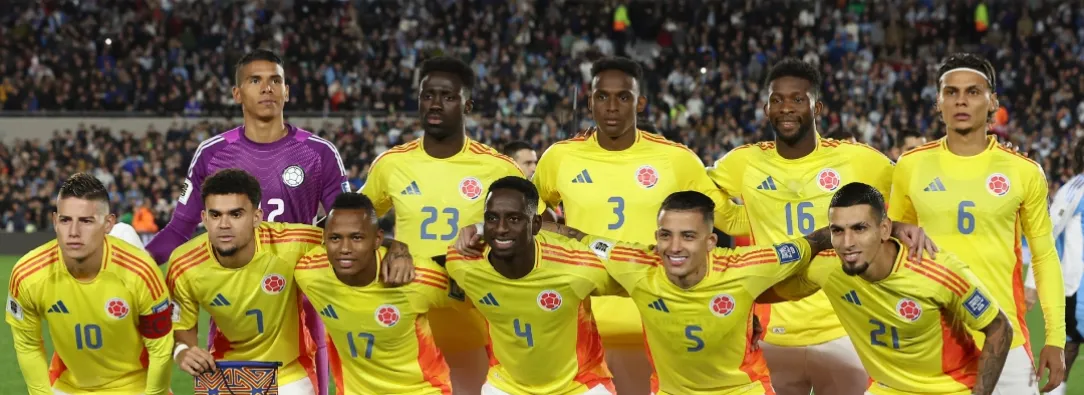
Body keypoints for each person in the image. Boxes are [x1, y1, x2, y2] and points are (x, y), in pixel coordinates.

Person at [531, 56, 749, 394]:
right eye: (602, 96)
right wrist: (555, 236)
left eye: (623, 97)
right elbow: (528, 213)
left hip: (659, 322)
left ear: (640, 102)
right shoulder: (560, 157)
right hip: (584, 321)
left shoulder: (676, 159)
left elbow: (730, 222)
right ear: (590, 102)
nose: (612, 107)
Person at [146, 49, 351, 395]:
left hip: (300, 299)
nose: (267, 88)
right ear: (237, 94)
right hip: (234, 299)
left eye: (276, 80)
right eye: (255, 80)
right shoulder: (213, 154)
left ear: (287, 91)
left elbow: (344, 223)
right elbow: (179, 230)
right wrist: (134, 267)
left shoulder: (318, 153)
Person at [707, 57, 896, 395]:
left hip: (844, 328)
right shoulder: (745, 162)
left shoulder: (855, 159)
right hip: (772, 331)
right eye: (777, 99)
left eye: (798, 99)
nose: (786, 108)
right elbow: (702, 194)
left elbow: (909, 187)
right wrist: (742, 219)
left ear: (817, 107)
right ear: (766, 109)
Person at [889, 52, 1065, 393]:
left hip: (1005, 339)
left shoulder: (1023, 171)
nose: (961, 101)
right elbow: (893, 249)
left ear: (992, 101)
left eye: (972, 91)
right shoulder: (910, 166)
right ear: (938, 103)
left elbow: (1044, 257)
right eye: (951, 92)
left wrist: (1055, 337)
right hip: (930, 338)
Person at [359, 55, 527, 393]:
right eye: (428, 95)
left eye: (448, 97)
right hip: (412, 320)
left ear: (468, 105)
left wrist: (484, 233)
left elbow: (538, 228)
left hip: (477, 317)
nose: (435, 104)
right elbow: (353, 223)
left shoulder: (498, 168)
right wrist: (394, 245)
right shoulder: (392, 164)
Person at [763, 182, 1013, 395]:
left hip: (948, 388)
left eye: (860, 228)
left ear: (884, 229)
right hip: (885, 388)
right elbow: (766, 292)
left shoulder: (938, 270)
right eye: (838, 231)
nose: (848, 243)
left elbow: (999, 327)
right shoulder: (828, 267)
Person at [445, 176, 619, 395]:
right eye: (491, 218)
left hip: (580, 384)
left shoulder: (578, 266)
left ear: (536, 224)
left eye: (514, 219)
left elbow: (638, 279)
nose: (500, 229)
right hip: (506, 384)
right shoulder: (463, 263)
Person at [6, 173, 173, 395]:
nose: (73, 232)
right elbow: (28, 345)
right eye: (65, 220)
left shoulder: (141, 272)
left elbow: (160, 349)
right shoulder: (27, 274)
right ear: (55, 221)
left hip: (136, 385)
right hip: (68, 386)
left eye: (86, 221)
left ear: (108, 224)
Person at [296, 192, 461, 394]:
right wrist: (395, 244)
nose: (344, 248)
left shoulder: (417, 277)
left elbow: (478, 296)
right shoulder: (310, 272)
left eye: (357, 237)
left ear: (377, 239)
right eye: (335, 238)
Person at [1022, 140, 1084, 395]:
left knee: (1069, 348)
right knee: (1067, 349)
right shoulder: (1077, 188)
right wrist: (1031, 285)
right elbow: (1048, 232)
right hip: (1078, 290)